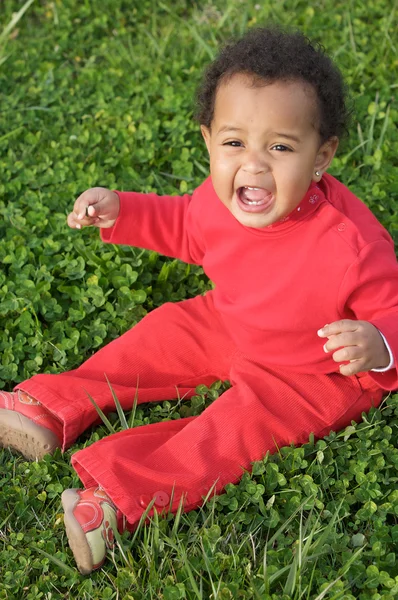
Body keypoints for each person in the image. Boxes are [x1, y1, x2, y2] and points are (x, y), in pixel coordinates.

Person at [0, 26, 397, 575]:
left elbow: (393, 310)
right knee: (160, 335)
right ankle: (48, 407)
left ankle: (114, 501)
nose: (254, 165)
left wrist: (379, 342)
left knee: (229, 434)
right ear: (208, 140)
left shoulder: (351, 246)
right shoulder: (217, 200)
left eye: (280, 147)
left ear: (322, 155)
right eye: (235, 143)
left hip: (313, 372)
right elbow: (184, 224)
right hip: (231, 320)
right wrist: (123, 210)